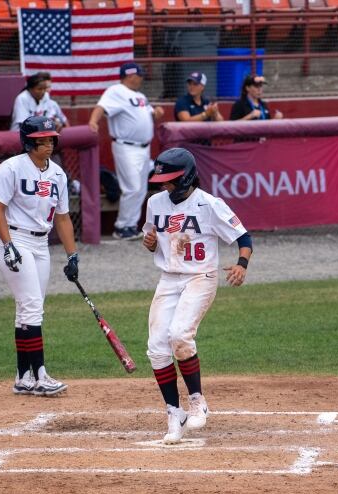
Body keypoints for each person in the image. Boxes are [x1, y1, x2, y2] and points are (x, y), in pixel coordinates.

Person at [141, 148, 253, 444]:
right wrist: (150, 242)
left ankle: (196, 400)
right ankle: (173, 412)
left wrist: (242, 265)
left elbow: (244, 237)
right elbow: (151, 240)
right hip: (169, 279)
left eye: (169, 179)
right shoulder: (155, 203)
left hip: (200, 278)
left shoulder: (209, 204)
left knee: (179, 334)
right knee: (157, 347)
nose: (163, 184)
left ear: (186, 177)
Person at [0, 115, 79, 397]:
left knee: (28, 309)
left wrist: (72, 255)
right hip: (15, 240)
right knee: (31, 306)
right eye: (42, 140)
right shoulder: (11, 167)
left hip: (41, 246)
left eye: (51, 139)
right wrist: (8, 245)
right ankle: (40, 376)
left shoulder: (58, 174)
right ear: (28, 142)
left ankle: (23, 376)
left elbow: (62, 218)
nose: (49, 144)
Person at [88, 62, 164, 240]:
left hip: (143, 148)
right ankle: (121, 226)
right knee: (132, 187)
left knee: (140, 189)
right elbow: (101, 107)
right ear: (130, 75)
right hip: (126, 146)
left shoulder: (140, 96)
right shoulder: (116, 91)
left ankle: (130, 226)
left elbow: (149, 114)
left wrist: (156, 113)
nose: (141, 77)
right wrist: (93, 121)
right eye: (139, 74)